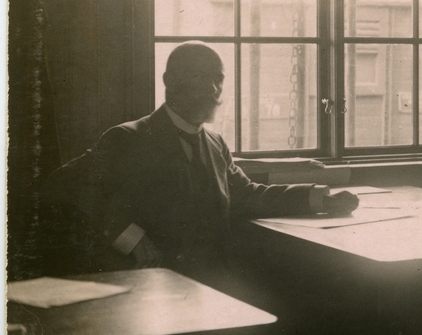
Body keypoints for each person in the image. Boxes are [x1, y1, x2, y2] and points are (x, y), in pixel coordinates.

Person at [55, 41, 359, 278]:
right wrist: (130, 238)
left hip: (212, 280)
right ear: (169, 80)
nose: (213, 89)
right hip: (150, 281)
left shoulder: (215, 144)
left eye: (218, 79)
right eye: (199, 77)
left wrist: (319, 198)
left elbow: (247, 195)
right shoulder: (128, 138)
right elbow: (65, 186)